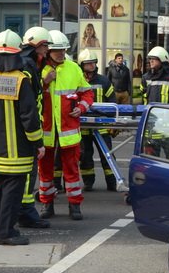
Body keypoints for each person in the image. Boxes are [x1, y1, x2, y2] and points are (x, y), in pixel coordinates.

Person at [0, 30, 45, 246]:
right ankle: (6, 233)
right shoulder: (21, 80)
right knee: (13, 193)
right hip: (20, 151)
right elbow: (29, 118)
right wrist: (38, 143)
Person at [37, 30, 94, 220]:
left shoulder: (73, 68)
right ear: (47, 51)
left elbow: (87, 93)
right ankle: (47, 204)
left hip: (68, 130)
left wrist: (82, 107)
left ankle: (75, 205)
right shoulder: (39, 69)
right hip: (46, 131)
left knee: (71, 168)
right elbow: (29, 93)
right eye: (57, 51)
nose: (61, 54)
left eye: (63, 50)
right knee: (45, 170)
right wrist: (44, 83)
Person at [15, 26, 53, 230]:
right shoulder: (28, 66)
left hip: (24, 129)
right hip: (27, 131)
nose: (47, 50)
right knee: (28, 174)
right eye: (45, 45)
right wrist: (36, 140)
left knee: (28, 174)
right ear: (37, 45)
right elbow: (29, 106)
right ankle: (26, 213)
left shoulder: (28, 63)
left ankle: (24, 211)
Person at [78, 49, 117, 192]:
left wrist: (113, 123)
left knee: (107, 154)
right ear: (82, 65)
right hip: (84, 126)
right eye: (88, 64)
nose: (92, 66)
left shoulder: (104, 81)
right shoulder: (77, 80)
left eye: (93, 63)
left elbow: (113, 101)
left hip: (101, 125)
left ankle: (112, 182)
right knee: (85, 156)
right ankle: (88, 182)